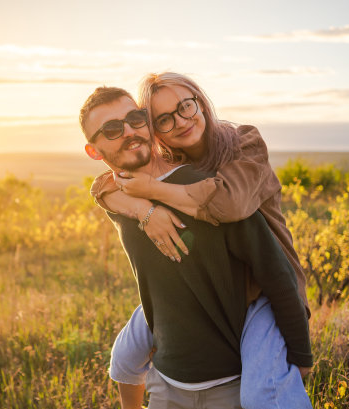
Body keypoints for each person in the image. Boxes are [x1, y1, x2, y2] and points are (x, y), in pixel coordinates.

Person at [79, 86, 312, 409]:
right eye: (112, 129)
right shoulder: (120, 196)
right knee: (123, 358)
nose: (130, 131)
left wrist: (301, 355)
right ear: (94, 152)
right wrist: (146, 211)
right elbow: (101, 187)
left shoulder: (212, 193)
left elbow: (276, 273)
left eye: (135, 119)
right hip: (166, 384)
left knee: (263, 396)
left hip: (228, 380)